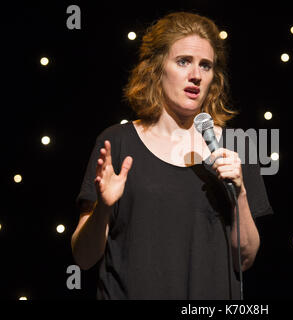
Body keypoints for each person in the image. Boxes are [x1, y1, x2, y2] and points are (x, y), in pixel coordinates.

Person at [71, 11, 273, 300]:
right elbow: (84, 257)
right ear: (156, 69)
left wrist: (240, 195)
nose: (196, 75)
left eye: (206, 66)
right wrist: (103, 208)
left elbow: (245, 260)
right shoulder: (117, 142)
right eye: (183, 62)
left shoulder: (234, 148)